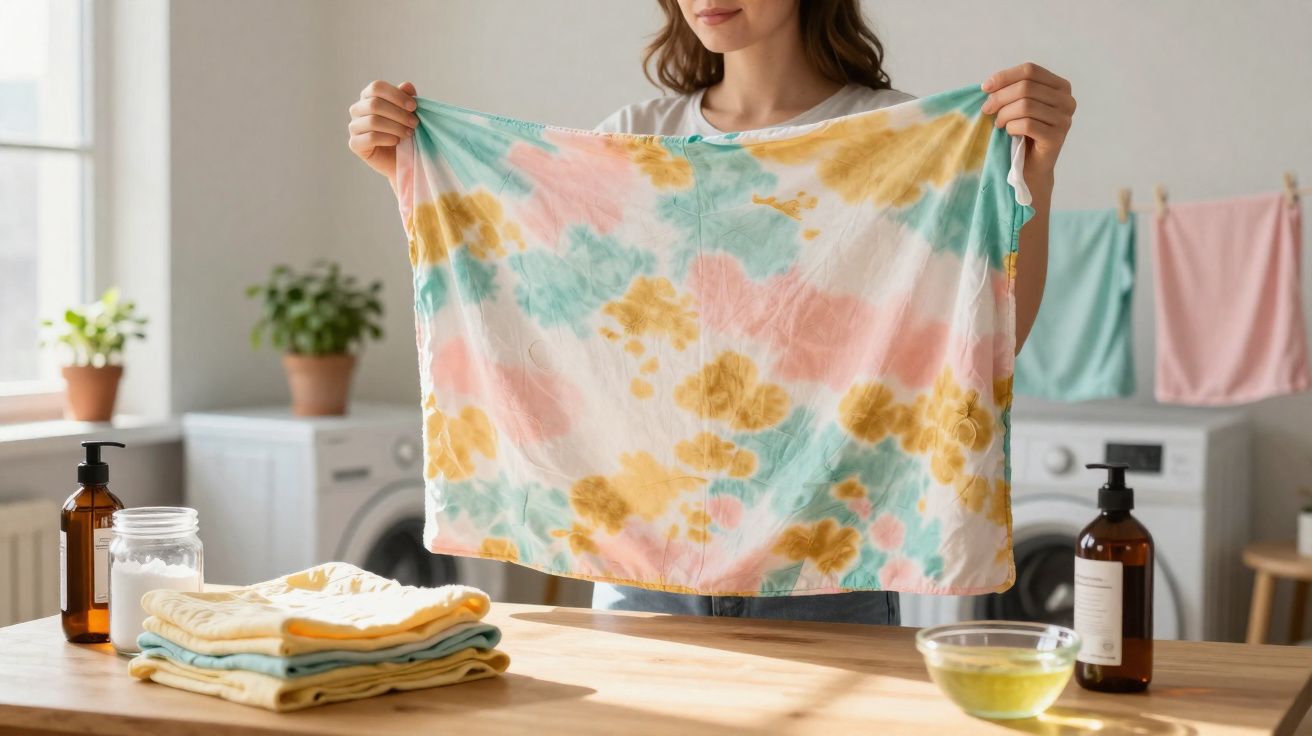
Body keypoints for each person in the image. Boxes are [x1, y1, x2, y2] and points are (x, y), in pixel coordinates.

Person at [347, 0, 1075, 626]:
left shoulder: (901, 140)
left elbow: (981, 339)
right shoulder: (635, 137)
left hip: (831, 582)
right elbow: (532, 299)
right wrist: (409, 171)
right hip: (644, 588)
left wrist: (1034, 173)